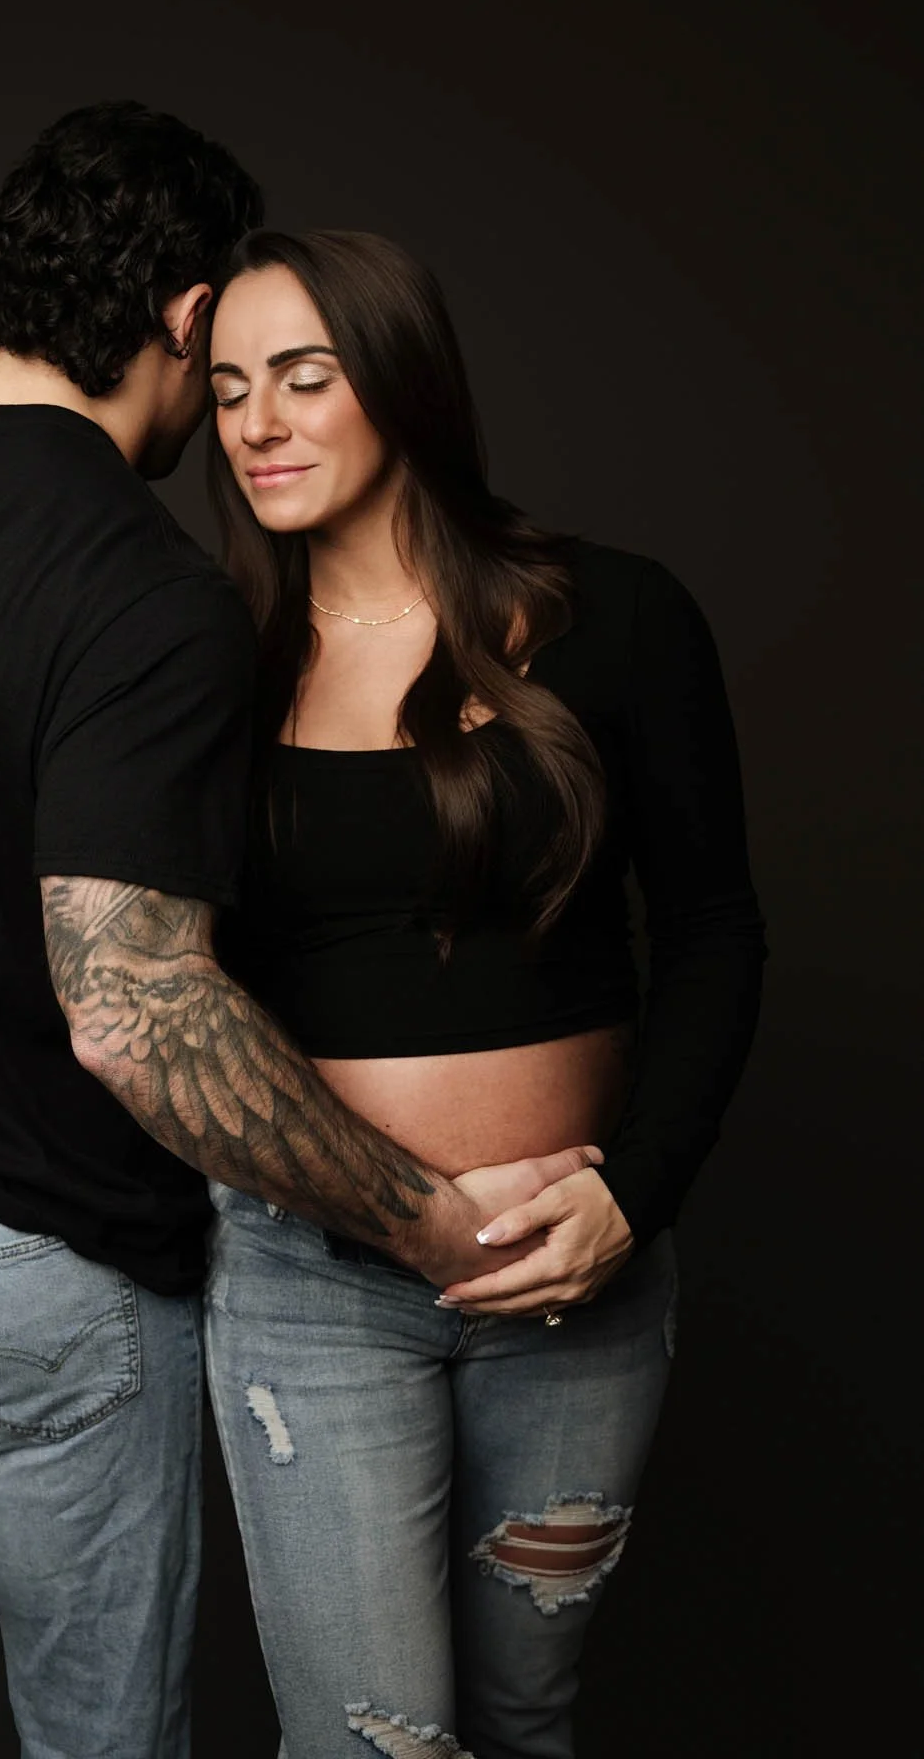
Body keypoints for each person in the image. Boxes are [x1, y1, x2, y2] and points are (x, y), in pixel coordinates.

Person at [0, 108, 593, 1759]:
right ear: (181, 321)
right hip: (27, 1249)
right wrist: (432, 1227)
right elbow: (134, 1012)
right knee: (97, 1739)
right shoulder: (138, 585)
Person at [203, 229, 766, 1759]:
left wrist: (632, 1199)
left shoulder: (617, 618)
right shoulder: (209, 669)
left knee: (525, 1718)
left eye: (302, 379)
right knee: (369, 1738)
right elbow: (171, 993)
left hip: (575, 1273)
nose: (255, 422)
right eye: (229, 385)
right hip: (314, 1290)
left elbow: (713, 929)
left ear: (398, 379)